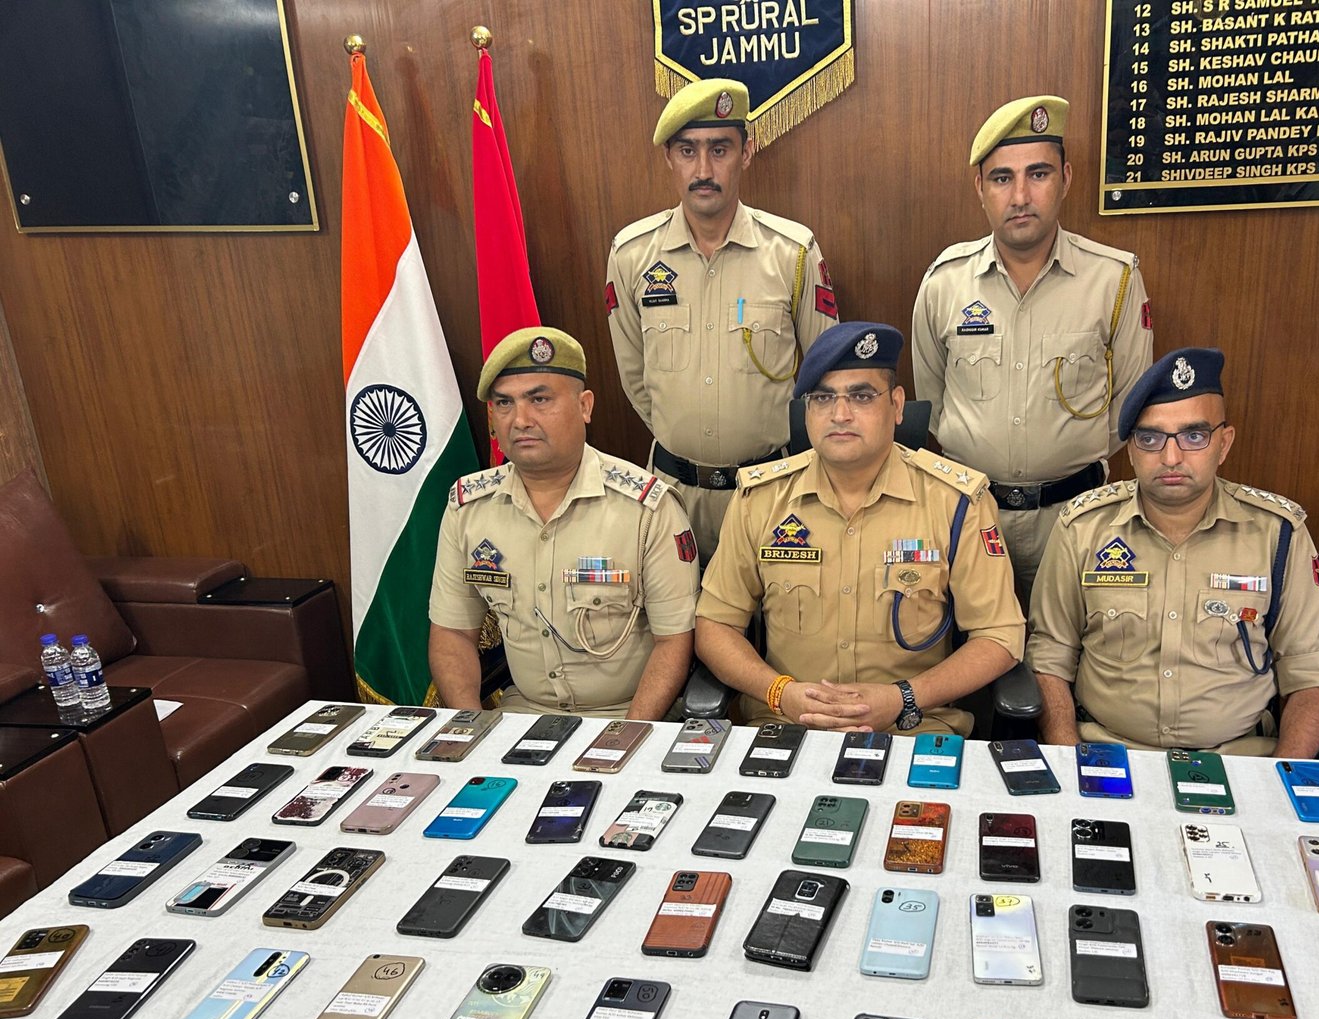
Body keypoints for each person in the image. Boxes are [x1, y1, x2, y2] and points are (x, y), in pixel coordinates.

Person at [696, 321, 1025, 736]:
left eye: (862, 396)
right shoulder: (759, 500)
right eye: (822, 398)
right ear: (806, 411)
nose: (840, 415)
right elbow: (715, 626)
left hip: (913, 727)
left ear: (897, 405)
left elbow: (999, 636)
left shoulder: (956, 503)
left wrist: (903, 698)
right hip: (787, 723)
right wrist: (780, 692)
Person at [1027, 348, 1319, 757]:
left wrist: (1282, 774)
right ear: (1131, 449)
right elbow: (1049, 656)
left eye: (1194, 436)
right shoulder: (1083, 528)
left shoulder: (1277, 534)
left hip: (1238, 757)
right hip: (1107, 752)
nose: (1171, 457)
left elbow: (1311, 673)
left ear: (1223, 443)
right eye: (1150, 438)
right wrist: (1072, 759)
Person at [912, 94, 1153, 607]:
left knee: (1071, 648)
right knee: (973, 645)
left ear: (1065, 178)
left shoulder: (1113, 280)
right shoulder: (944, 283)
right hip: (972, 515)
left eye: (1037, 174)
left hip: (1075, 517)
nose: (1020, 195)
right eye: (1002, 178)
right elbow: (933, 402)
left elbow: (1129, 410)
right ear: (980, 188)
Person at [606, 78, 838, 563]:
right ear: (669, 158)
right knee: (675, 611)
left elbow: (826, 377)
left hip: (769, 493)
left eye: (719, 149)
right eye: (687, 151)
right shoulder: (631, 255)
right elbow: (635, 378)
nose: (703, 170)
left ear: (746, 153)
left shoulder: (793, 253)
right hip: (672, 497)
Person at [428, 327, 700, 719]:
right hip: (523, 714)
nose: (520, 420)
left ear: (584, 406)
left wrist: (627, 735)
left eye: (539, 399)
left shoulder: (647, 509)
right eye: (504, 403)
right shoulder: (469, 508)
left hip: (629, 715)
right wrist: (471, 725)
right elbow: (452, 632)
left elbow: (674, 641)